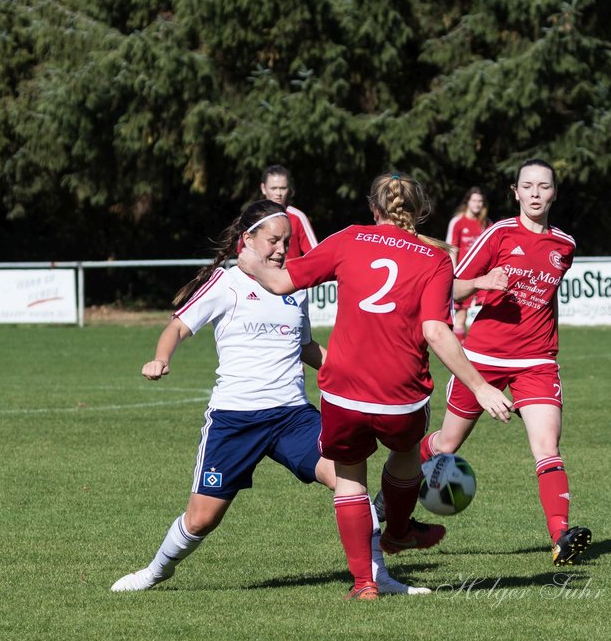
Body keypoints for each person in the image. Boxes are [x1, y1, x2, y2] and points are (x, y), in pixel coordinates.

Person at [112, 199, 417, 595]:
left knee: (348, 481)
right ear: (248, 239)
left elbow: (305, 347)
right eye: (274, 240)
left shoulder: (293, 286)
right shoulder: (226, 283)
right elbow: (179, 326)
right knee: (202, 520)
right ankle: (154, 572)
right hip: (235, 419)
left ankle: (379, 577)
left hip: (292, 417)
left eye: (286, 242)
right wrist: (160, 357)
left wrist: (349, 368)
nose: (281, 249)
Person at [238, 173, 512, 600]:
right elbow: (437, 332)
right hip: (401, 393)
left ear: (373, 208)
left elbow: (280, 282)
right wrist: (480, 387)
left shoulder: (349, 239)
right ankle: (398, 531)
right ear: (420, 212)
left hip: (343, 388)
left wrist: (250, 261)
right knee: (404, 458)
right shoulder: (435, 258)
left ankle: (365, 584)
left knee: (350, 481)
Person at [420, 159, 591, 566]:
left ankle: (560, 536)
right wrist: (481, 282)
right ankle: (396, 487)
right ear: (515, 192)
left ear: (554, 193)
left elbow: (546, 300)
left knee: (547, 446)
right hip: (481, 359)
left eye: (543, 186)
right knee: (447, 443)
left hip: (537, 361)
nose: (535, 193)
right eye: (527, 186)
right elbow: (451, 288)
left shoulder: (564, 246)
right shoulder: (498, 233)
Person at [445, 187, 489, 339]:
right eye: (475, 200)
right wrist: (454, 273)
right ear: (468, 202)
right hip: (463, 277)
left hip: (483, 278)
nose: (477, 204)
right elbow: (452, 248)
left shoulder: (486, 223)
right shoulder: (458, 222)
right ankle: (460, 350)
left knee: (488, 315)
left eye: (480, 201)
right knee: (461, 316)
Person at [260, 165, 318, 259]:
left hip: (290, 273)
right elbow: (242, 252)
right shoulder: (253, 217)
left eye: (283, 188)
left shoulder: (298, 217)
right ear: (263, 188)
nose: (278, 193)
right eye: (273, 188)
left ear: (289, 189)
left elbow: (315, 254)